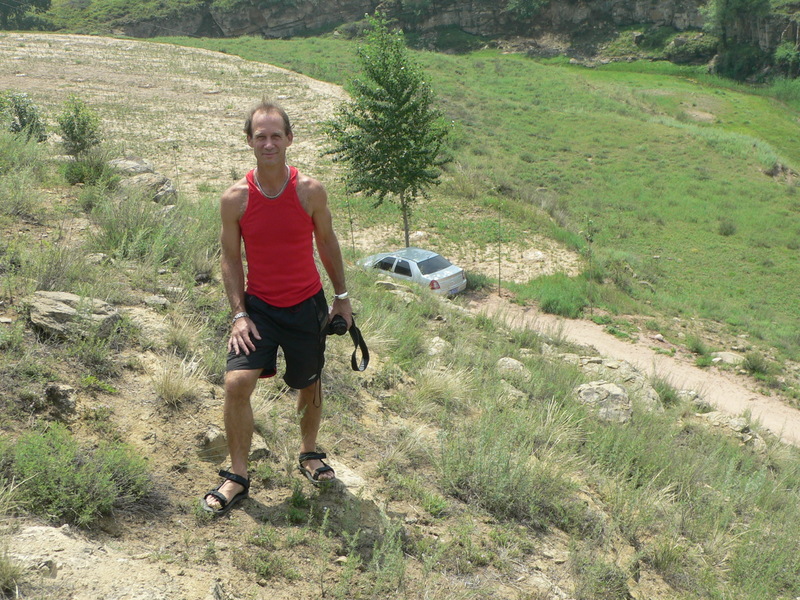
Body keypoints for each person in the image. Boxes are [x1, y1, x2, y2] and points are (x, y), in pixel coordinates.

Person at [202, 100, 352, 515]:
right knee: (236, 384)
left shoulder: (310, 191)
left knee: (310, 380)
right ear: (248, 141)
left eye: (275, 135)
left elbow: (327, 243)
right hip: (259, 309)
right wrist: (239, 313)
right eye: (260, 136)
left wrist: (341, 297)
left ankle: (308, 453)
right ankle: (237, 476)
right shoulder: (235, 198)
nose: (268, 143)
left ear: (289, 139)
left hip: (306, 305)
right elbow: (230, 258)